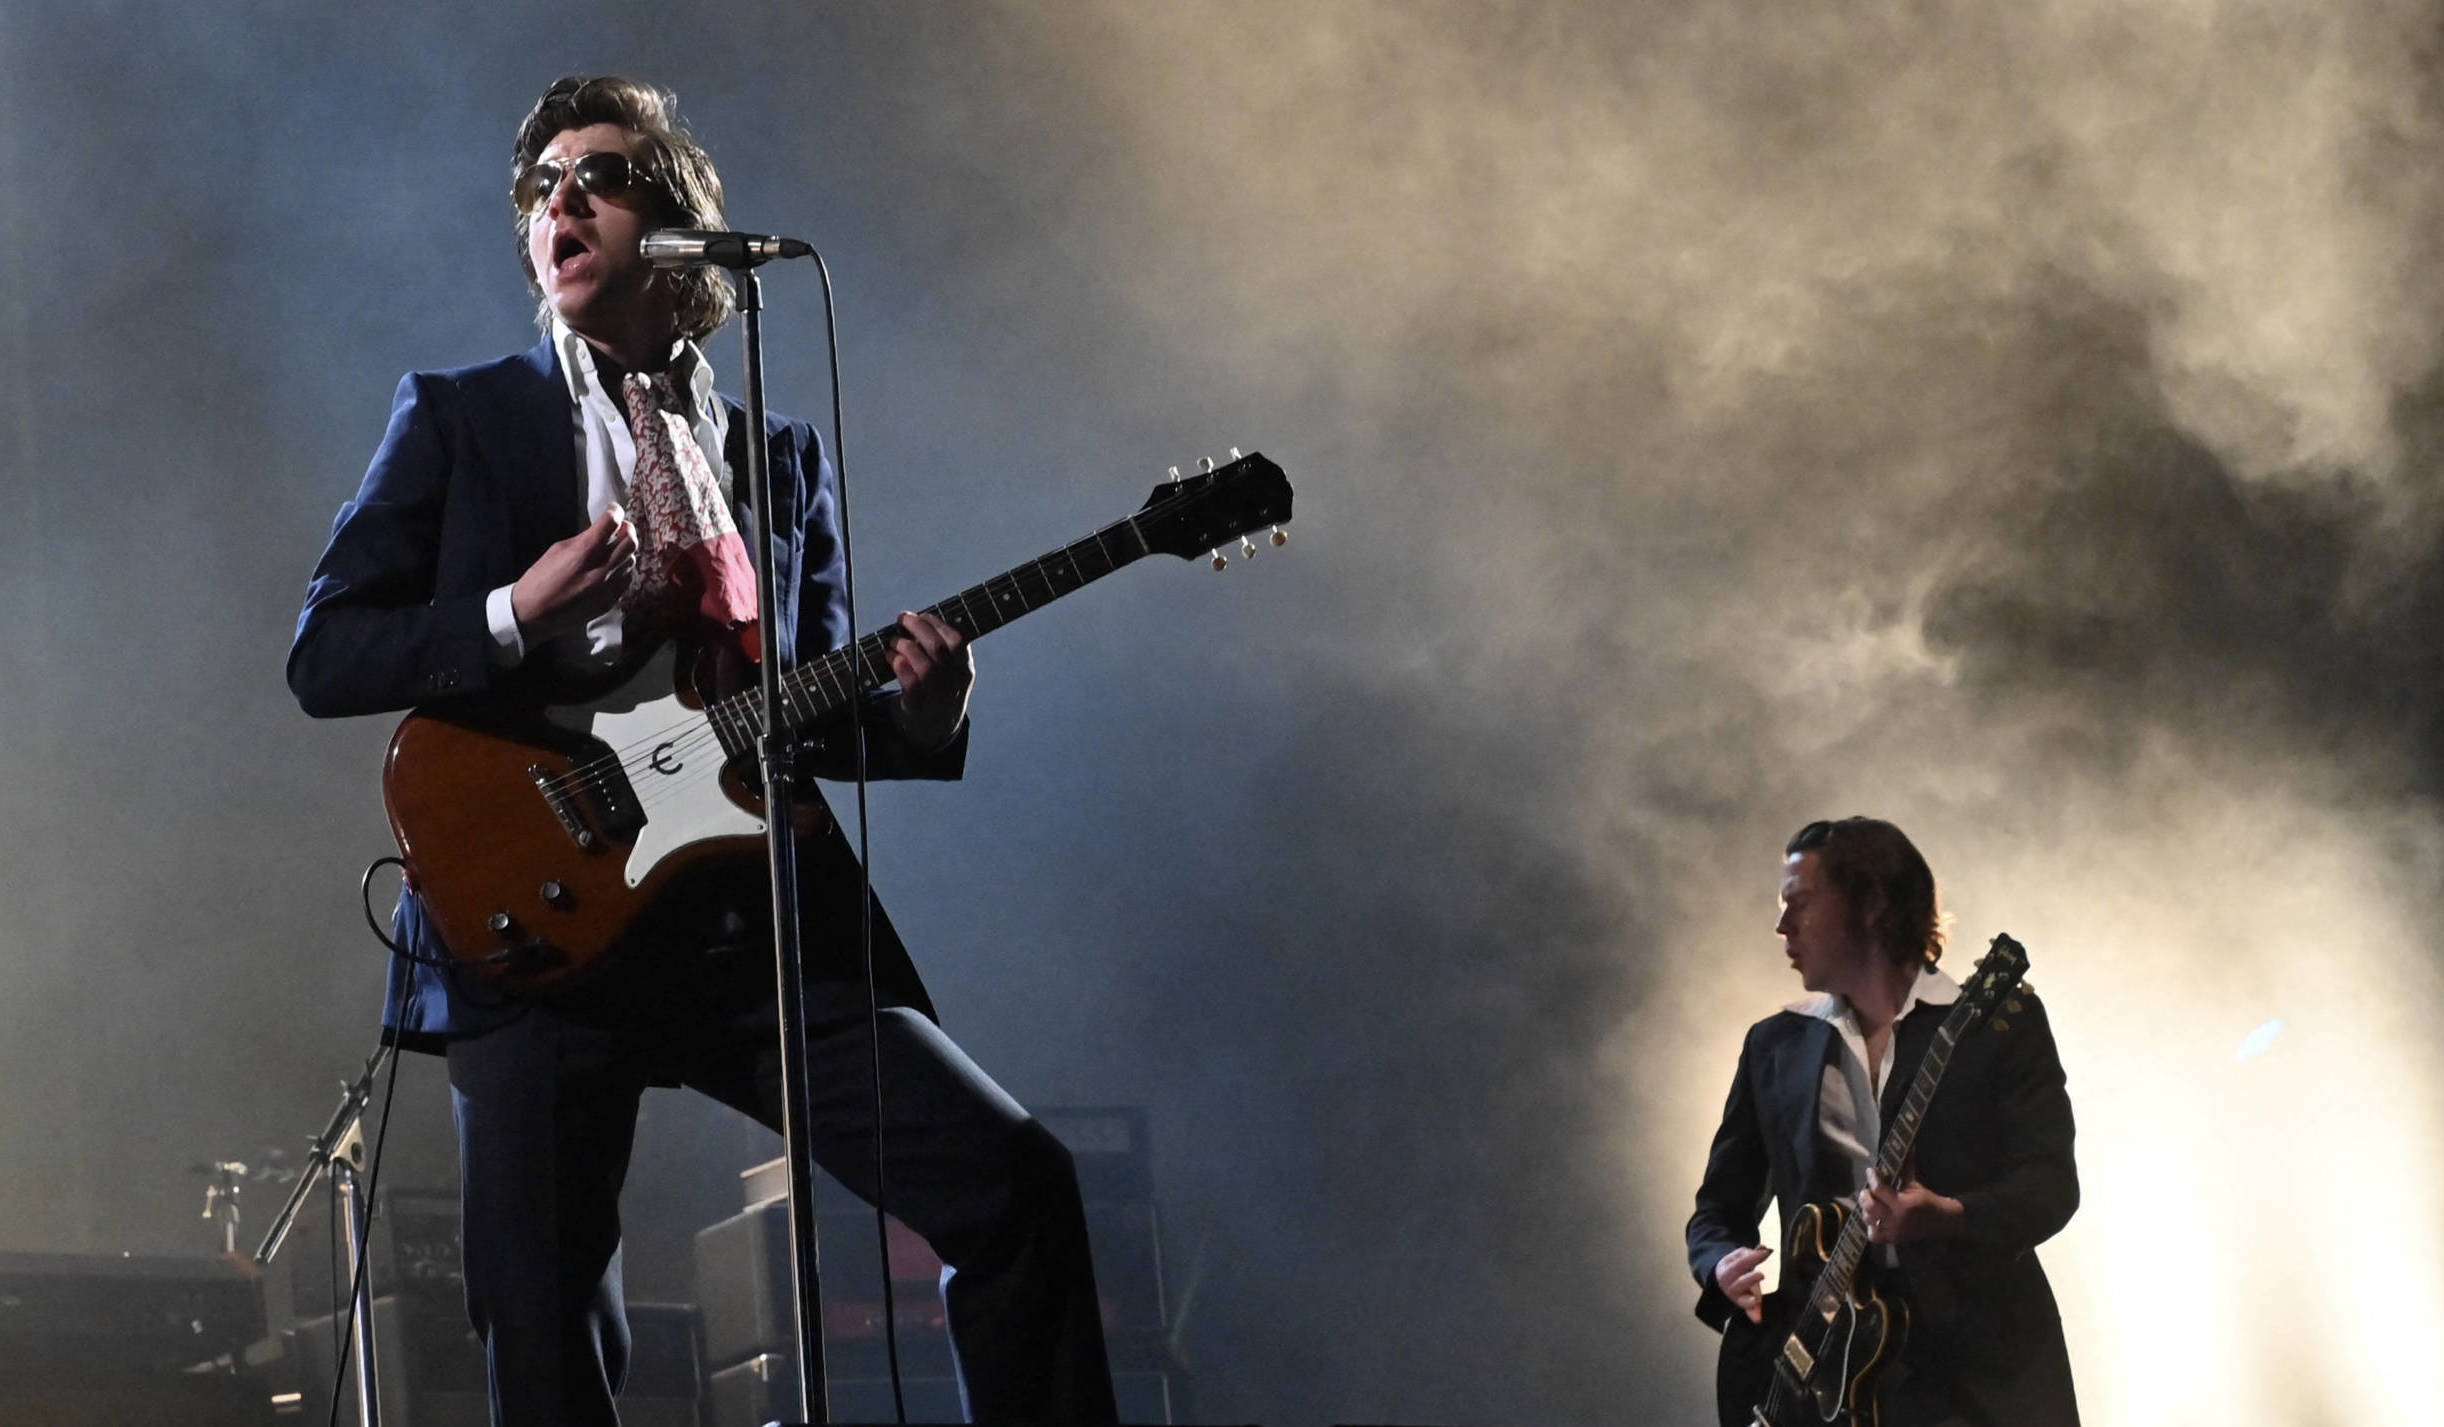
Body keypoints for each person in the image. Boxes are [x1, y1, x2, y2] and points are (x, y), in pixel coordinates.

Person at [288, 74, 1116, 1426]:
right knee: (543, 1308)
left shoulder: (776, 453)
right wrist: (514, 610)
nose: (560, 200)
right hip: (540, 918)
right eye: (542, 183)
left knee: (1017, 1182)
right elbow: (326, 653)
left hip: (749, 912)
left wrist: (923, 711)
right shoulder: (462, 415)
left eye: (598, 177)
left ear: (675, 235)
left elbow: (809, 708)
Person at [1686, 817, 2080, 1426]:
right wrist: (1720, 1264)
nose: (1781, 926)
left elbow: (2050, 1186)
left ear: (1870, 904)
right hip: (1826, 1376)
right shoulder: (1777, 1044)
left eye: (1801, 904)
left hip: (1976, 1373)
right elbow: (1717, 1210)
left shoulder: (1991, 1023)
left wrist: (1950, 1217)